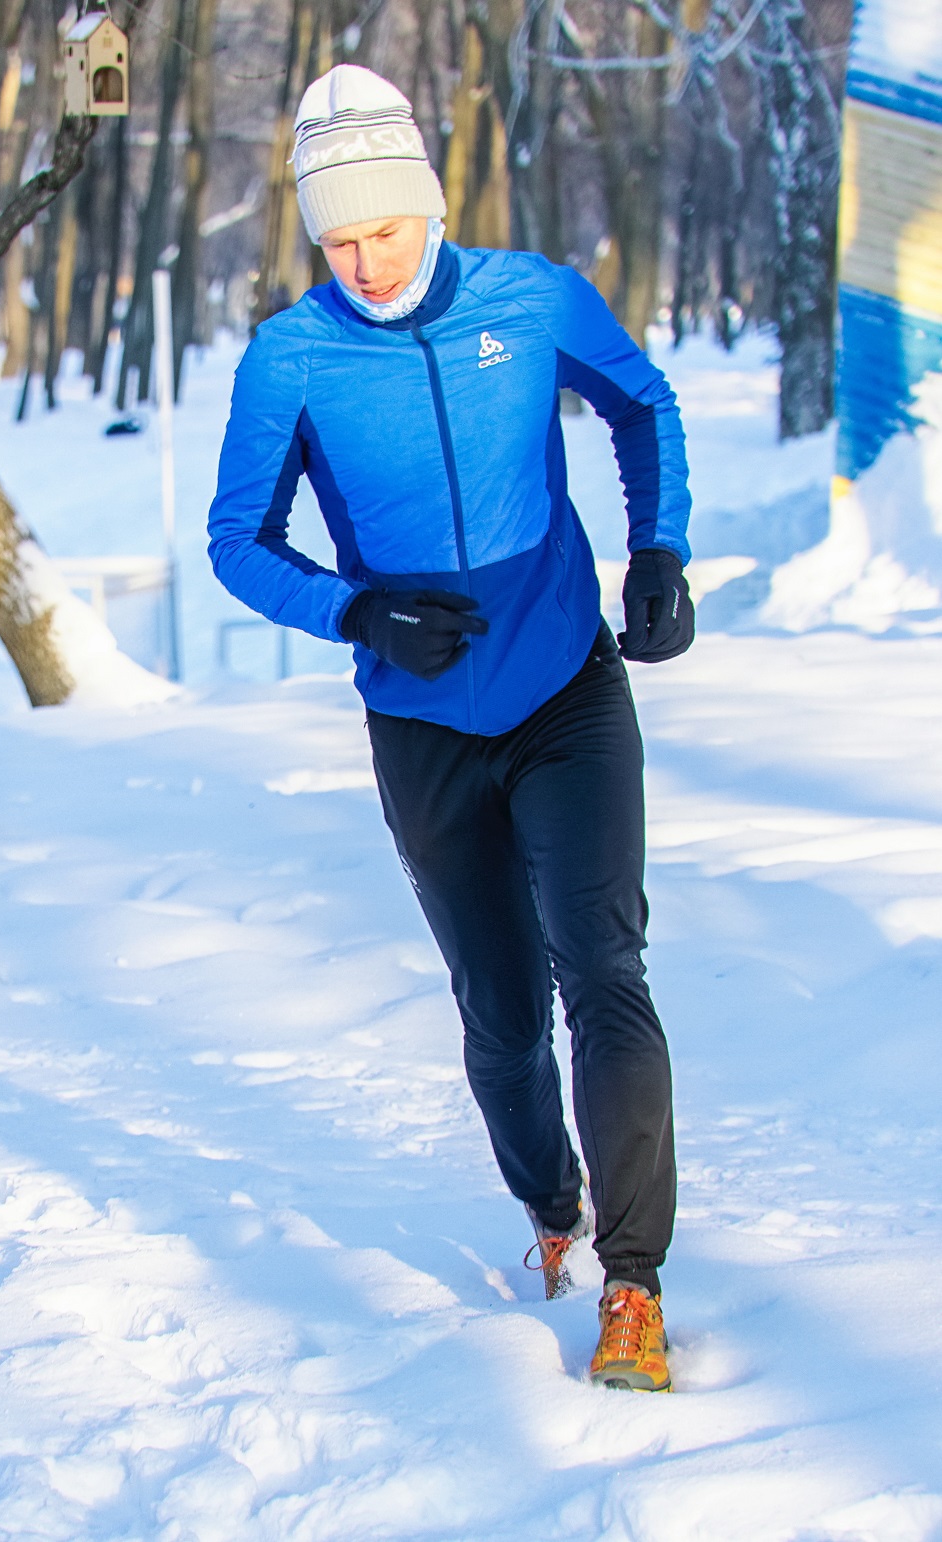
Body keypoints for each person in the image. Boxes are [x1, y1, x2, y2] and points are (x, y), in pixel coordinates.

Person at [207, 64, 693, 1393]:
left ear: (427, 205)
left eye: (384, 227)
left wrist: (658, 551)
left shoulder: (528, 301)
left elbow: (643, 405)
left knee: (602, 967)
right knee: (500, 1008)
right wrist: (355, 609)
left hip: (564, 688)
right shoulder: (291, 356)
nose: (363, 259)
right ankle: (551, 1208)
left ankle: (633, 1283)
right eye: (337, 236)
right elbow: (235, 545)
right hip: (419, 726)